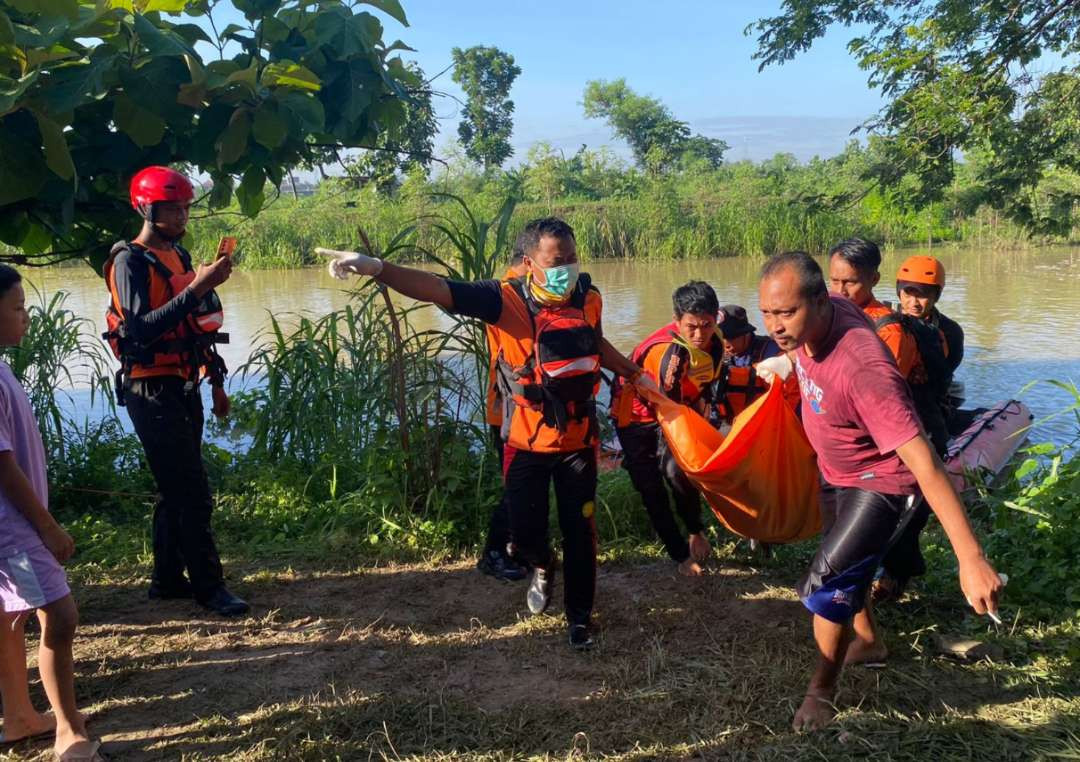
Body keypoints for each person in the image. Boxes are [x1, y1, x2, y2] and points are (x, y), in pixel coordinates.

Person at [318, 218, 654, 650]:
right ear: (529, 263)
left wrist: (634, 373)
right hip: (525, 442)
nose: (566, 269)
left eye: (572, 259)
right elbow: (437, 288)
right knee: (523, 537)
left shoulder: (588, 298)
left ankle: (579, 621)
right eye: (556, 261)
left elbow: (596, 343)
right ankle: (543, 565)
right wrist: (376, 267)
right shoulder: (503, 299)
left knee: (581, 531)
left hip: (578, 440)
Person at [755, 251, 1003, 732]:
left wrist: (970, 557)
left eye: (787, 314)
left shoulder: (866, 370)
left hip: (881, 483)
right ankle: (869, 642)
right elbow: (792, 338)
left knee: (827, 584)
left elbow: (927, 465)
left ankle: (820, 692)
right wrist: (787, 362)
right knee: (847, 562)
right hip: (836, 468)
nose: (776, 325)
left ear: (819, 305)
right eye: (767, 312)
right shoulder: (825, 311)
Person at [105, 166, 248, 617]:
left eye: (186, 207)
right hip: (151, 389)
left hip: (185, 383)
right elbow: (139, 331)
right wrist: (200, 286)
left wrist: (217, 383)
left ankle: (167, 580)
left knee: (175, 488)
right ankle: (210, 588)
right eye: (173, 208)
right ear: (147, 208)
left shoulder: (179, 255)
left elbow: (195, 326)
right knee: (192, 492)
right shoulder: (129, 261)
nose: (182, 215)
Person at [0, 266, 103, 761]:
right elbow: (2, 467)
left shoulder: (1, 368)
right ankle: (69, 730)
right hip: (14, 533)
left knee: (13, 617)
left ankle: (20, 715)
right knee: (59, 616)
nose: (26, 318)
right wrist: (47, 527)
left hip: (17, 529)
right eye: (16, 309)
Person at [611, 281, 722, 576]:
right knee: (653, 487)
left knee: (680, 472)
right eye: (691, 328)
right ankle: (680, 555)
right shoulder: (672, 354)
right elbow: (669, 409)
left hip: (672, 408)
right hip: (635, 418)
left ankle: (695, 532)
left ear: (716, 318)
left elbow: (705, 385)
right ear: (677, 323)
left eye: (707, 325)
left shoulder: (717, 342)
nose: (700, 335)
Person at [876, 255, 967, 601]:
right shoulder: (887, 326)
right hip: (892, 422)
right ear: (898, 291)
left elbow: (947, 371)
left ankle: (897, 573)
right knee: (886, 500)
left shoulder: (949, 333)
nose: (915, 301)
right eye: (908, 291)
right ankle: (880, 567)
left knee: (916, 508)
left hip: (928, 423)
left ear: (937, 295)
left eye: (924, 293)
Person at [828, 239, 951, 456]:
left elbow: (884, 398)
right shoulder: (831, 316)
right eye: (834, 281)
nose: (840, 291)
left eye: (850, 282)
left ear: (874, 279)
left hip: (896, 430)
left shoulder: (890, 330)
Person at [476, 238, 531, 582]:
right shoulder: (509, 294)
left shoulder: (522, 292)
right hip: (511, 411)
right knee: (517, 486)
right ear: (530, 259)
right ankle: (494, 553)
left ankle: (516, 547)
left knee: (524, 485)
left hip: (518, 409)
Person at [713, 303, 791, 425]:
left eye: (731, 337)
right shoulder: (716, 352)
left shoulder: (771, 352)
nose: (726, 344)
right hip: (732, 425)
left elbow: (790, 397)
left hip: (765, 425)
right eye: (720, 337)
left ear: (746, 333)